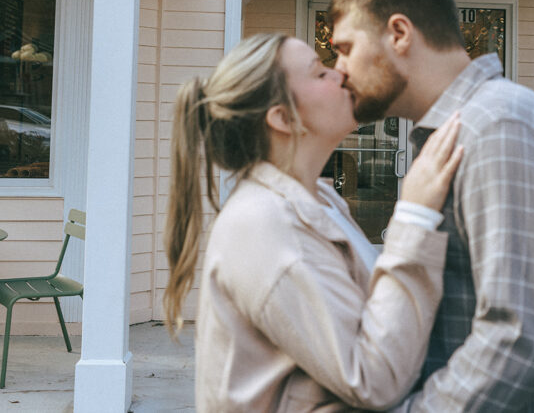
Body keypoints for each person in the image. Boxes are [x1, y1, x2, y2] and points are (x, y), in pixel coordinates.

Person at [330, 0, 534, 412]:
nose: (338, 69)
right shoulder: (461, 130)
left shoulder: (501, 128)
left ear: (399, 34)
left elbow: (522, 338)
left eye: (344, 48)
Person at [163, 32, 463, 412]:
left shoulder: (319, 200)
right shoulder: (267, 226)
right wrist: (415, 217)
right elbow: (373, 378)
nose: (339, 73)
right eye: (319, 73)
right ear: (283, 118)